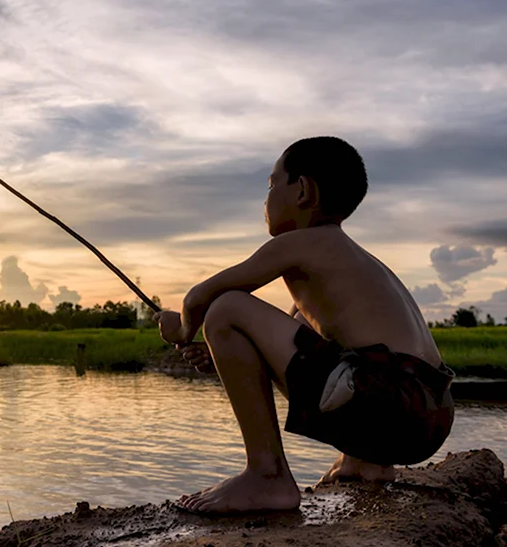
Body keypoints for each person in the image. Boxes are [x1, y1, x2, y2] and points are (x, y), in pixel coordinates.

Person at [154, 136, 455, 514]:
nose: (264, 200)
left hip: (390, 402)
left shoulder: (299, 244)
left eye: (271, 185)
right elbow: (309, 353)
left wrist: (180, 329)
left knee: (226, 308)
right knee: (313, 336)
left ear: (303, 191)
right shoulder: (354, 260)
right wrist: (224, 354)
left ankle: (267, 475)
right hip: (431, 412)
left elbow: (201, 298)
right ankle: (367, 461)